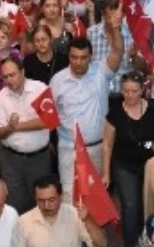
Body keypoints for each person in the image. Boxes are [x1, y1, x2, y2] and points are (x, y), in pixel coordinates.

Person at [49, 27, 123, 199]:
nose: (78, 62)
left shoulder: (101, 73)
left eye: (83, 58)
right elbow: (49, 115)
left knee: (96, 198)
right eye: (74, 57)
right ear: (68, 57)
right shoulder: (57, 81)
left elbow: (118, 51)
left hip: (97, 149)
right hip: (69, 149)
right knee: (69, 197)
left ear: (91, 57)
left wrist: (115, 27)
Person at [105, 70, 154, 247]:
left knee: (151, 204)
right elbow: (107, 144)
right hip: (125, 166)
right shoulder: (115, 112)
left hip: (152, 165)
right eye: (126, 91)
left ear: (142, 90)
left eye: (134, 91)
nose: (130, 95)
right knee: (131, 207)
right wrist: (106, 174)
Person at [0, 58, 54, 216]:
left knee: (42, 202)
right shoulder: (0, 98)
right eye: (5, 77)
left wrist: (17, 126)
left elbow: (49, 120)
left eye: (13, 74)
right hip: (12, 160)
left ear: (22, 72)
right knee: (15, 205)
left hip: (39, 158)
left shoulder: (40, 89)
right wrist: (9, 128)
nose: (9, 80)